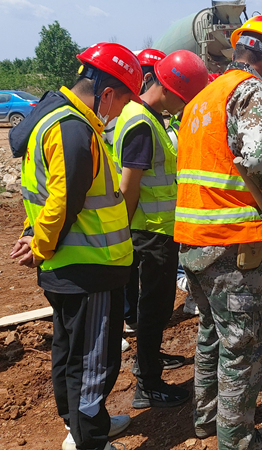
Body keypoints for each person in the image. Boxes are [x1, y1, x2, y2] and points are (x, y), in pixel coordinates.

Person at [8, 42, 142, 450]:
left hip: (69, 267)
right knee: (93, 363)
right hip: (89, 269)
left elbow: (44, 195)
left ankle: (79, 427)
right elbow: (65, 200)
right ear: (105, 93)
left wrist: (36, 237)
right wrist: (41, 243)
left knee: (71, 352)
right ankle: (90, 441)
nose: (119, 112)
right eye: (120, 102)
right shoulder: (72, 129)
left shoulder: (54, 121)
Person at [174, 14, 262, 450]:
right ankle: (237, 440)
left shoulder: (202, 98)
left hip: (191, 239)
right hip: (229, 242)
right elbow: (258, 157)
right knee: (243, 344)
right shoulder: (253, 91)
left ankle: (206, 420)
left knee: (210, 332)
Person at [112, 50, 208, 408]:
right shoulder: (142, 123)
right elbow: (129, 187)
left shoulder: (148, 117)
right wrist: (124, 236)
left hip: (156, 230)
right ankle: (148, 384)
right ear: (168, 89)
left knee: (153, 307)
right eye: (182, 100)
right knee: (155, 308)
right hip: (151, 233)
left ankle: (147, 360)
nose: (182, 107)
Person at [105, 48, 165, 333]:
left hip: (127, 213)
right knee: (134, 282)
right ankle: (129, 321)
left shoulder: (130, 113)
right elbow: (131, 180)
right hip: (138, 218)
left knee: (129, 275)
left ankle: (129, 319)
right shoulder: (138, 118)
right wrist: (123, 223)